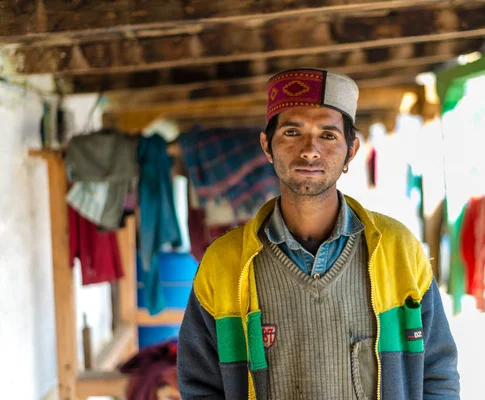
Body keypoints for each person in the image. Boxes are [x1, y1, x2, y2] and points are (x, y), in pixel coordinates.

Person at [178, 68, 460, 399]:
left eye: (328, 135)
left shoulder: (399, 252)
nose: (310, 150)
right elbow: (199, 386)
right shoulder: (224, 265)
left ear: (351, 151)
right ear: (267, 146)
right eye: (292, 132)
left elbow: (438, 373)